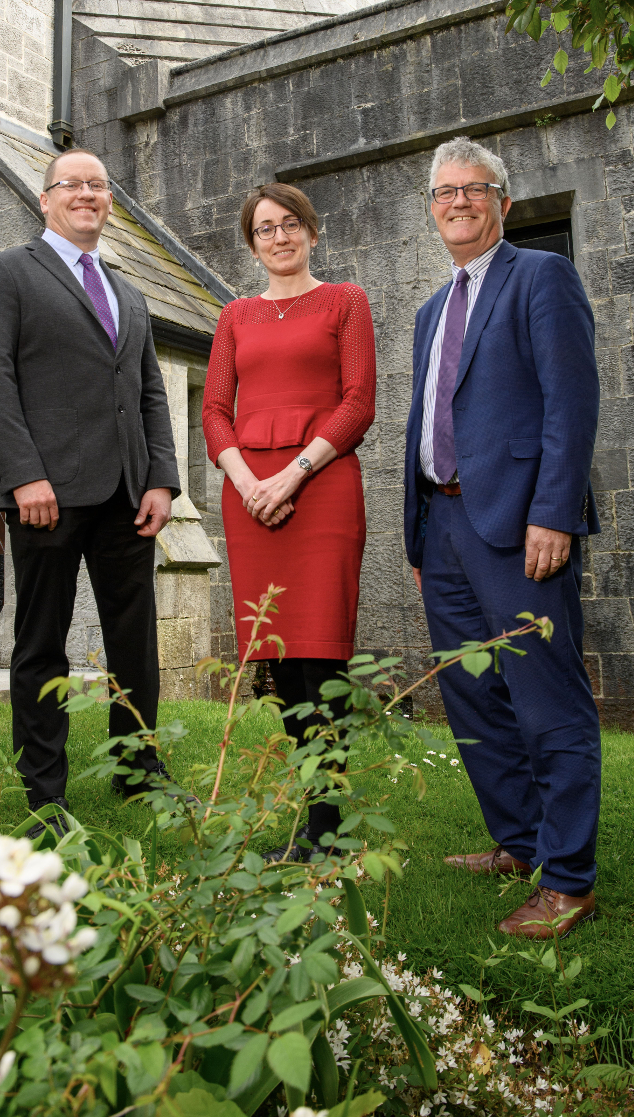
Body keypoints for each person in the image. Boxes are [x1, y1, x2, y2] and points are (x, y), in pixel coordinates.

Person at [403, 137, 601, 938]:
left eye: (473, 188)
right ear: (432, 207)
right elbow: (428, 421)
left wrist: (553, 513)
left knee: (545, 699)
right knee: (474, 697)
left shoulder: (541, 278)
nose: (458, 201)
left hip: (521, 526)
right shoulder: (429, 310)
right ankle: (518, 843)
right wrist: (420, 541)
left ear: (503, 202)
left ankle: (571, 878)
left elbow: (570, 402)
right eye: (444, 191)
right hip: (443, 525)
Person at [0, 148, 180, 833]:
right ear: (46, 198)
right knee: (41, 640)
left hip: (127, 495)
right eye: (72, 185)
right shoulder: (5, 274)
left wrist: (162, 479)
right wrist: (24, 473)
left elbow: (149, 390)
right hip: (45, 494)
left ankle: (138, 770)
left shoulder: (129, 290)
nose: (87, 194)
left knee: (134, 640)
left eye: (99, 185)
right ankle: (45, 792)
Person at [202, 182, 376, 858]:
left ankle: (329, 827)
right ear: (252, 244)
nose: (279, 237)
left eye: (289, 225)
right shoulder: (235, 315)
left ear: (312, 230)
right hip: (250, 502)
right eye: (264, 230)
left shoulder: (345, 301)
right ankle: (311, 818)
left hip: (323, 487)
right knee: (277, 658)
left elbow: (358, 401)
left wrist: (292, 474)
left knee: (322, 652)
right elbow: (216, 410)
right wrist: (248, 481)